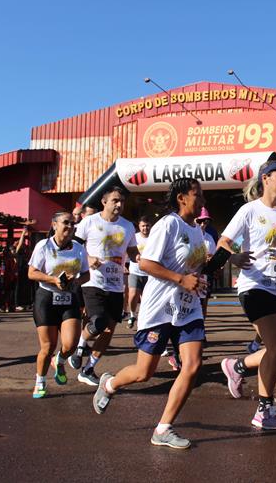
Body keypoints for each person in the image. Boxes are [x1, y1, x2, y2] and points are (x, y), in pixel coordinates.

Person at [91, 178, 210, 449]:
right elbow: (145, 263)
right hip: (159, 309)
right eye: (197, 194)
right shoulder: (169, 224)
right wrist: (181, 279)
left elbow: (194, 265)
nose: (202, 199)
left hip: (187, 309)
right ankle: (110, 384)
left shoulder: (197, 231)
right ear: (181, 198)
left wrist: (211, 270)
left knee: (192, 365)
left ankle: (163, 429)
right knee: (144, 372)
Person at [218, 160, 276, 430]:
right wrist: (234, 257)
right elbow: (223, 242)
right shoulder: (249, 210)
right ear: (265, 179)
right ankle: (264, 409)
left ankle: (238, 366)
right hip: (255, 286)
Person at [68, 186, 139, 386]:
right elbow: (74, 246)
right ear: (104, 202)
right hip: (93, 280)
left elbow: (132, 251)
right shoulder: (89, 222)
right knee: (98, 321)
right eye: (115, 200)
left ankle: (88, 368)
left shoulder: (127, 226)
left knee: (109, 330)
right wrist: (88, 257)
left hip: (116, 284)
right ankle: (81, 347)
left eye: (122, 201)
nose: (119, 204)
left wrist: (139, 257)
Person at [27, 211, 90, 398]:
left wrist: (76, 281)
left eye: (73, 224)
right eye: (66, 223)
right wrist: (52, 279)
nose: (70, 227)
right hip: (46, 299)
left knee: (70, 345)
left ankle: (60, 361)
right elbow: (31, 272)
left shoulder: (79, 248)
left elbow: (87, 274)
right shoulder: (44, 246)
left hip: (69, 298)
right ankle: (40, 381)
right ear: (54, 224)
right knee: (48, 347)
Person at [126, 215, 152, 329]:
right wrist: (124, 265)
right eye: (143, 226)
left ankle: (144, 319)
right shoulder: (134, 237)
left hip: (150, 273)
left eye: (147, 226)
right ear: (139, 226)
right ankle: (132, 314)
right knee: (133, 295)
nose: (145, 228)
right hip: (135, 271)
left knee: (147, 298)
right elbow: (127, 252)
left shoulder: (154, 238)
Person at [196, 207, 216, 320]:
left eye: (205, 221)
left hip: (205, 274)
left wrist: (210, 258)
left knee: (203, 301)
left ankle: (201, 327)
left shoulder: (209, 238)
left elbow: (213, 254)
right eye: (200, 221)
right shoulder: (188, 235)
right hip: (190, 273)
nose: (203, 224)